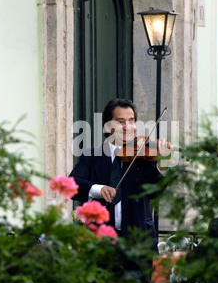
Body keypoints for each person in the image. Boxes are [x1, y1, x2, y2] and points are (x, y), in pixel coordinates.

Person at [69, 98, 172, 252]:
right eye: (121, 122)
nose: (127, 127)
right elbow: (72, 184)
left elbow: (155, 191)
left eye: (131, 121)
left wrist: (163, 163)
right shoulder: (92, 154)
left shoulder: (142, 157)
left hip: (139, 245)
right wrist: (99, 189)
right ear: (107, 125)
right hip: (100, 245)